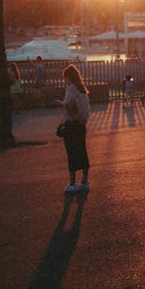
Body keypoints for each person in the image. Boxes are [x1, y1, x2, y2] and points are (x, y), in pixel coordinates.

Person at [57, 64, 90, 193]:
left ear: (69, 77)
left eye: (65, 78)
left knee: (71, 154)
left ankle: (72, 184)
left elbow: (70, 106)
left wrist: (63, 104)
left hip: (72, 125)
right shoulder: (82, 88)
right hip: (82, 125)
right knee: (83, 153)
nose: (65, 81)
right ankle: (84, 181)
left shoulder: (71, 89)